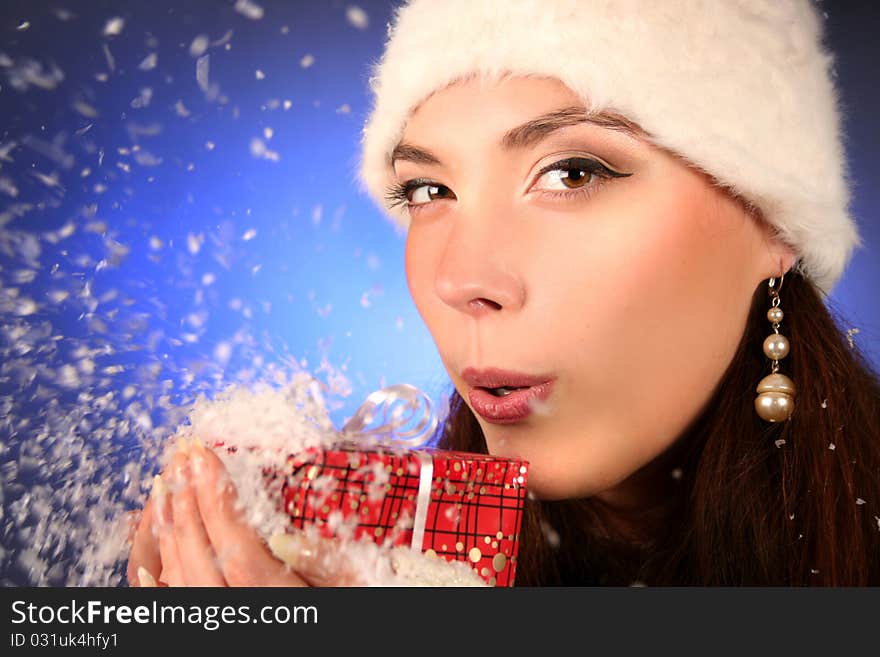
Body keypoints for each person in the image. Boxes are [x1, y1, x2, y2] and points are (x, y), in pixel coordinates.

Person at [127, 0, 880, 586]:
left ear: (773, 220)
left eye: (572, 172)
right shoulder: (359, 549)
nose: (462, 281)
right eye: (429, 188)